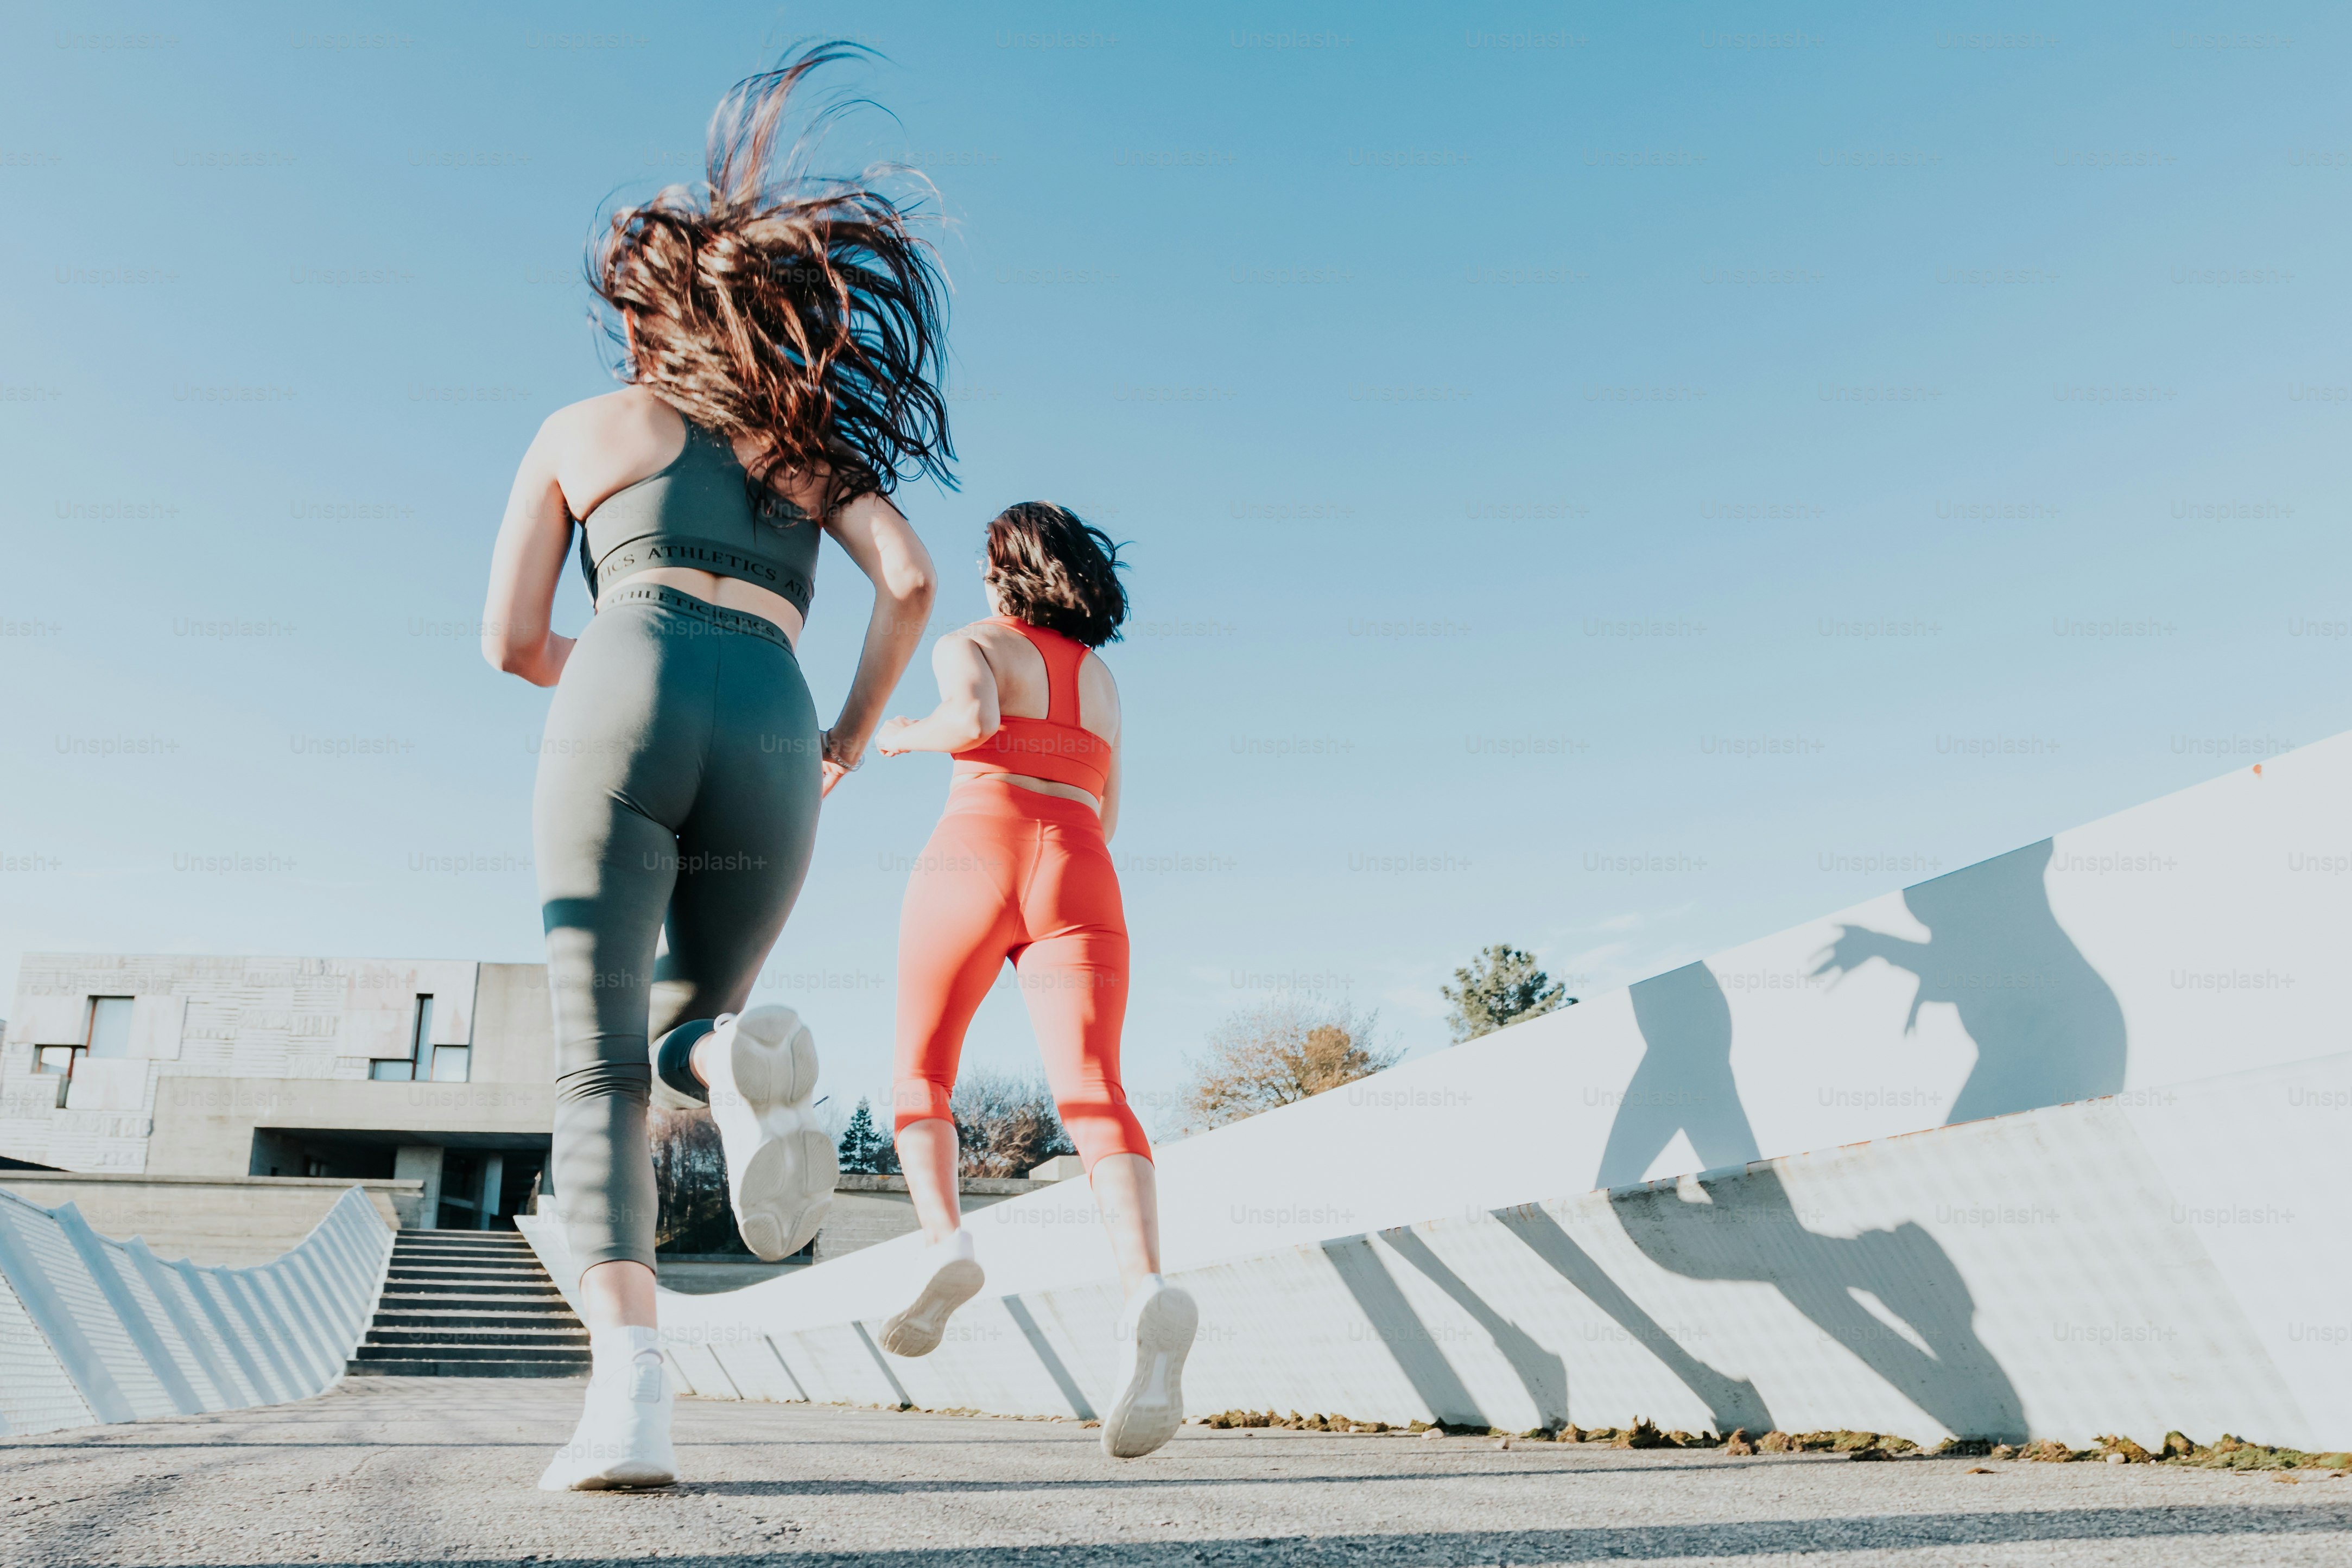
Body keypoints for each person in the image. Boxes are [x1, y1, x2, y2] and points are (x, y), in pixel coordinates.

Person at [479, 50, 949, 1490]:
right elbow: (916, 580)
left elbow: (508, 643)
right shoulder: (810, 446)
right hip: (774, 724)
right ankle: (728, 1063)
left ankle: (626, 1407)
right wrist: (850, 735)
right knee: (694, 1021)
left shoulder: (580, 430)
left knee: (592, 1066)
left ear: (644, 320)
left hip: (622, 685)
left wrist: (623, 669)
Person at [872, 503, 1198, 1459]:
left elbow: (970, 720)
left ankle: (948, 1244)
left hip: (975, 846)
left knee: (920, 1071)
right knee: (1096, 1091)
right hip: (1083, 863)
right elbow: (1110, 802)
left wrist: (898, 736)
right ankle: (1145, 1284)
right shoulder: (1102, 680)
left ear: (1004, 568)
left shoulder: (967, 642)